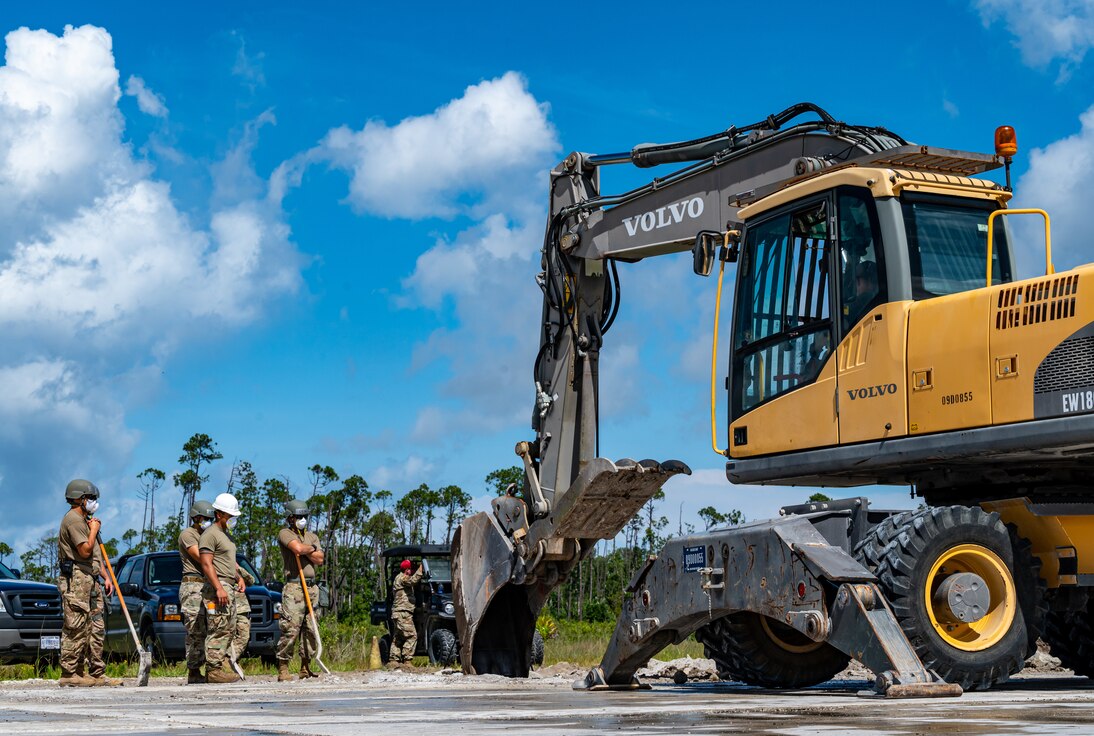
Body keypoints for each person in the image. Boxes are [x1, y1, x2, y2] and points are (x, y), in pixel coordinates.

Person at [56, 479, 120, 687]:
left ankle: (94, 672)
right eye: (90, 498)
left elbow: (93, 555)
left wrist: (105, 576)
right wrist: (93, 530)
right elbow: (83, 550)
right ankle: (69, 673)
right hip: (76, 578)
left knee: (94, 627)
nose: (93, 502)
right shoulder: (74, 520)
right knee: (75, 625)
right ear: (79, 498)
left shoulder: (85, 520)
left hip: (90, 578)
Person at [198, 492, 247, 684]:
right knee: (218, 628)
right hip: (216, 587)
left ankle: (221, 666)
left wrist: (238, 577)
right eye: (230, 516)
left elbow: (226, 562)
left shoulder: (225, 536)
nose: (233, 520)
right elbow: (207, 564)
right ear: (219, 514)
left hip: (228, 584)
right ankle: (213, 670)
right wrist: (218, 587)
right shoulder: (210, 535)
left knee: (229, 628)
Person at [275, 499, 325, 681]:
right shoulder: (285, 533)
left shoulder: (312, 537)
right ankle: (283, 667)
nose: (302, 519)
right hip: (294, 587)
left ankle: (305, 666)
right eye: (298, 516)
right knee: (291, 628)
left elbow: (320, 559)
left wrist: (308, 549)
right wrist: (309, 550)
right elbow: (296, 548)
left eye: (304, 516)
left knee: (311, 628)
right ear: (290, 518)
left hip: (312, 587)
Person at [178, 500, 215, 684]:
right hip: (193, 585)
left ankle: (211, 667)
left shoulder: (211, 536)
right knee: (195, 629)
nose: (208, 521)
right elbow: (200, 557)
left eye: (210, 518)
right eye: (205, 518)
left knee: (212, 626)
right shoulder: (188, 534)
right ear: (196, 518)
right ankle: (193, 670)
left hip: (208, 585)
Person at [390, 559, 424, 665]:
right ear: (406, 569)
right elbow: (413, 581)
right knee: (412, 635)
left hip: (398, 613)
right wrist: (420, 570)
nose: (411, 571)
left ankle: (394, 660)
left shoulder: (397, 578)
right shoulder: (403, 577)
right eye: (410, 569)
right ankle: (407, 660)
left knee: (398, 637)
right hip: (403, 613)